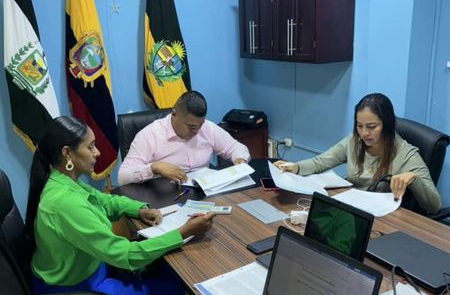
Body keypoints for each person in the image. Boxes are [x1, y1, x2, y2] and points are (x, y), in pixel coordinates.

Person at [25, 116, 215, 295]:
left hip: (85, 273)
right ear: (67, 153)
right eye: (90, 147)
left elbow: (105, 201)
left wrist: (138, 209)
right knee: (169, 290)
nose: (98, 153)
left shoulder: (63, 181)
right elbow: (124, 255)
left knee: (162, 270)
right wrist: (183, 232)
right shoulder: (63, 202)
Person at [275, 93, 441, 214]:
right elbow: (321, 162)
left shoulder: (406, 155)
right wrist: (295, 167)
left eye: (371, 127)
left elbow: (434, 206)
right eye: (359, 126)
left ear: (388, 124)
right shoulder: (355, 141)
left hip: (384, 219)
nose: (364, 133)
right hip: (351, 209)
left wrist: (413, 178)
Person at [118, 91, 251, 185]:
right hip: (164, 195)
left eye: (200, 125)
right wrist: (154, 167)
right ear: (174, 114)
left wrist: (239, 160)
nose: (196, 131)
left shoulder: (207, 128)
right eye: (191, 127)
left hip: (204, 191)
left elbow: (235, 147)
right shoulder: (150, 135)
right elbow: (122, 177)